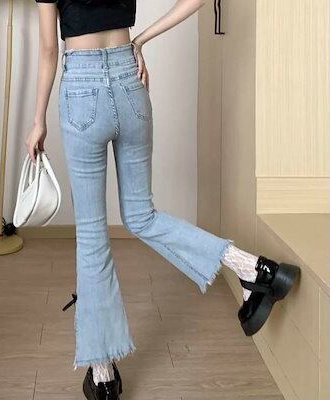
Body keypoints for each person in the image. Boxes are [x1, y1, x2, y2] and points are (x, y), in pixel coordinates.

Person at [27, 1, 301, 398]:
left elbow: (49, 49)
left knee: (91, 236)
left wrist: (38, 120)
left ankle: (103, 375)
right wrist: (140, 41)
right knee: (142, 215)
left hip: (82, 89)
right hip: (130, 81)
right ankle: (253, 268)